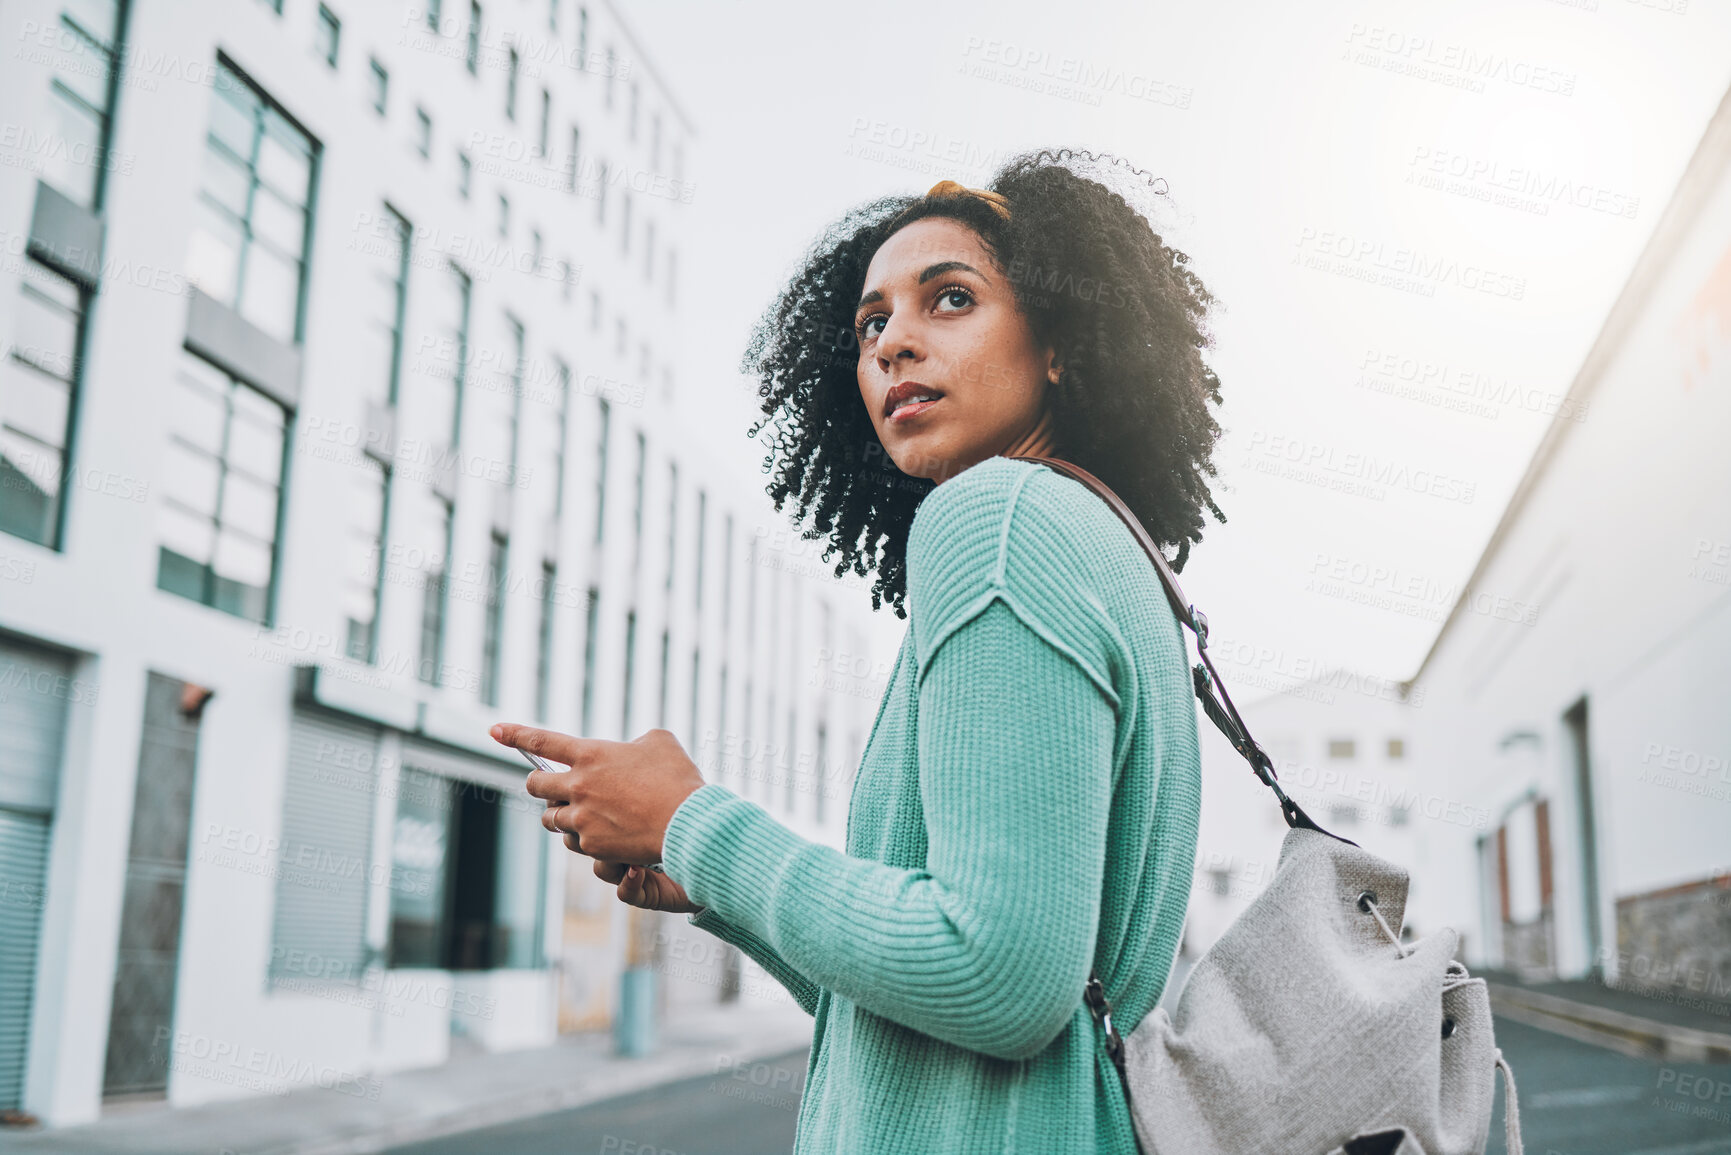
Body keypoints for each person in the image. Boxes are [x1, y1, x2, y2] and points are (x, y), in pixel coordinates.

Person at [491, 147, 1228, 1153]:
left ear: (1059, 341)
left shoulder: (997, 521)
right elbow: (944, 1002)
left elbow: (1000, 978)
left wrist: (693, 822)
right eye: (872, 324)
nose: (893, 345)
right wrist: (710, 883)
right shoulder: (1101, 545)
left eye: (950, 300)